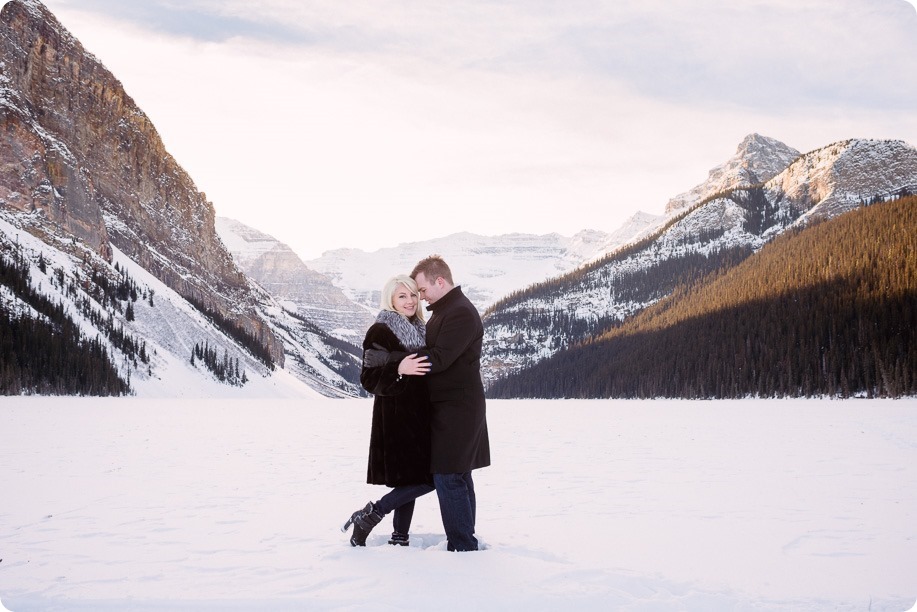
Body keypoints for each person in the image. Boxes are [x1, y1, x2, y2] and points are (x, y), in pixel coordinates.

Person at [342, 275, 433, 547]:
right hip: (396, 419)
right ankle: (374, 513)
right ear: (390, 300)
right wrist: (398, 368)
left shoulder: (421, 328)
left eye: (413, 295)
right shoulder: (380, 330)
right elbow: (368, 379)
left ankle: (399, 537)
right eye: (402, 296)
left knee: (412, 479)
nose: (409, 301)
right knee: (426, 478)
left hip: (422, 417)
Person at [410, 255, 490, 552]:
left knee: (449, 474)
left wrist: (400, 365)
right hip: (453, 406)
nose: (421, 296)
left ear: (439, 281)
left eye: (422, 289)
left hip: (458, 408)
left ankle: (462, 545)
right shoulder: (446, 311)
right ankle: (464, 540)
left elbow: (441, 358)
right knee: (457, 474)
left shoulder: (459, 313)